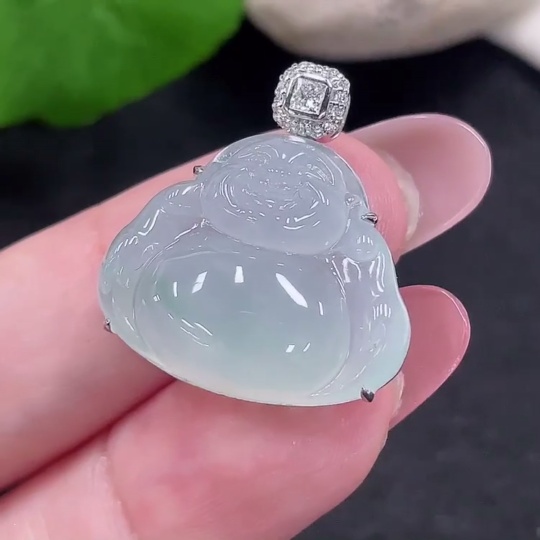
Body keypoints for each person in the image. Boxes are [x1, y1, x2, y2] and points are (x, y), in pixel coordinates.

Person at [0, 114, 491, 539]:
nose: (276, 190)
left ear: (343, 207)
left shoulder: (354, 245)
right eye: (263, 174)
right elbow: (134, 252)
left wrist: (367, 362)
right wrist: (127, 304)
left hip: (301, 352)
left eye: (301, 182)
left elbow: (375, 304)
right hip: (179, 318)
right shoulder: (185, 206)